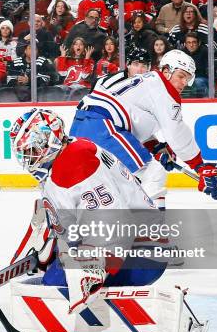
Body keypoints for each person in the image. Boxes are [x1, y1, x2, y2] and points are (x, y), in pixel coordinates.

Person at [9, 109, 163, 312]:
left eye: (32, 149)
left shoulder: (73, 163)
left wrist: (91, 269)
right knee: (56, 260)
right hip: (142, 247)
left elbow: (113, 220)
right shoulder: (71, 150)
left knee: (54, 283)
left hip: (140, 257)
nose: (28, 157)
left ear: (50, 140)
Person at [70, 49, 217, 206]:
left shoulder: (149, 83)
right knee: (152, 171)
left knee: (114, 181)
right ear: (166, 71)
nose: (184, 83)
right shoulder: (163, 88)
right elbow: (176, 133)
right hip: (101, 126)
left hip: (86, 125)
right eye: (181, 76)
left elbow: (131, 120)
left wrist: (155, 147)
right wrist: (201, 166)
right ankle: (151, 224)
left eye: (188, 79)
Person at [182, 32, 208, 97]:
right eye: (189, 42)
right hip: (186, 79)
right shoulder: (182, 53)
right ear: (185, 44)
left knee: (197, 82)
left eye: (194, 42)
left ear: (198, 43)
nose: (191, 45)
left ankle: (204, 103)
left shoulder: (205, 51)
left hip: (201, 78)